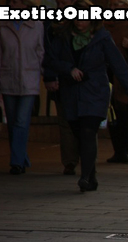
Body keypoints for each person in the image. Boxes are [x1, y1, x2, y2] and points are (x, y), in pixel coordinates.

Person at [46, 0, 128, 192]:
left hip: (95, 91)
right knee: (79, 133)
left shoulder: (102, 37)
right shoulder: (63, 37)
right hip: (71, 93)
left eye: (84, 18)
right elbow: (50, 60)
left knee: (88, 132)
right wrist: (68, 69)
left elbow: (118, 64)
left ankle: (85, 177)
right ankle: (91, 173)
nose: (80, 22)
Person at [0, 0, 44, 175]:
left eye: (19, 2)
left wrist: (39, 70)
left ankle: (16, 162)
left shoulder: (36, 24)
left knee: (21, 120)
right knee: (12, 122)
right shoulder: (2, 25)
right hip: (8, 77)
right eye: (13, 2)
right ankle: (21, 157)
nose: (16, 5)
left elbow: (40, 50)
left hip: (29, 78)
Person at [43, 0, 81, 176]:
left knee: (85, 122)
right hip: (63, 80)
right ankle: (70, 161)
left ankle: (86, 159)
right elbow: (48, 53)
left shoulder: (84, 21)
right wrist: (50, 76)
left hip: (83, 81)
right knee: (66, 122)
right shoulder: (51, 25)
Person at [104, 0, 128, 164]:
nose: (113, 8)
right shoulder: (105, 25)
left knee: (126, 114)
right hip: (108, 74)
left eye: (117, 4)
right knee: (112, 114)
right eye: (111, 5)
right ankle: (117, 150)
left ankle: (124, 150)